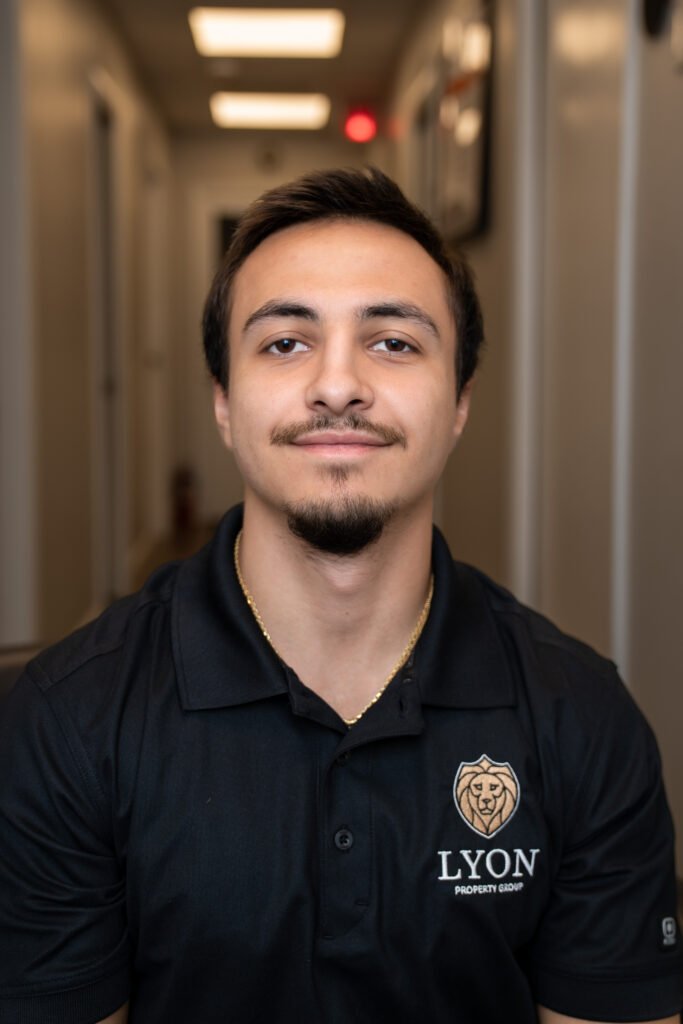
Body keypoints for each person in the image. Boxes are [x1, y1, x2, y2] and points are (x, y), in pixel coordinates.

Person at [0, 167, 680, 1024]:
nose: (336, 384)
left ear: (461, 401)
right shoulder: (70, 721)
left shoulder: (581, 716)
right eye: (284, 342)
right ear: (222, 401)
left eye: (393, 342)